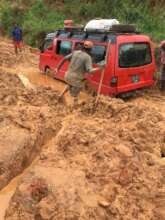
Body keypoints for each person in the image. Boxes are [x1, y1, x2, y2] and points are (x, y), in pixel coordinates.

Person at [54, 40, 104, 107]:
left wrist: (57, 68)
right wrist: (100, 68)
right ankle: (74, 108)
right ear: (91, 49)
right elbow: (90, 71)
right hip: (76, 80)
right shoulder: (87, 57)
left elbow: (65, 58)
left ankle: (60, 95)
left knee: (70, 84)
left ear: (83, 47)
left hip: (67, 76)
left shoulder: (75, 52)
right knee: (76, 94)